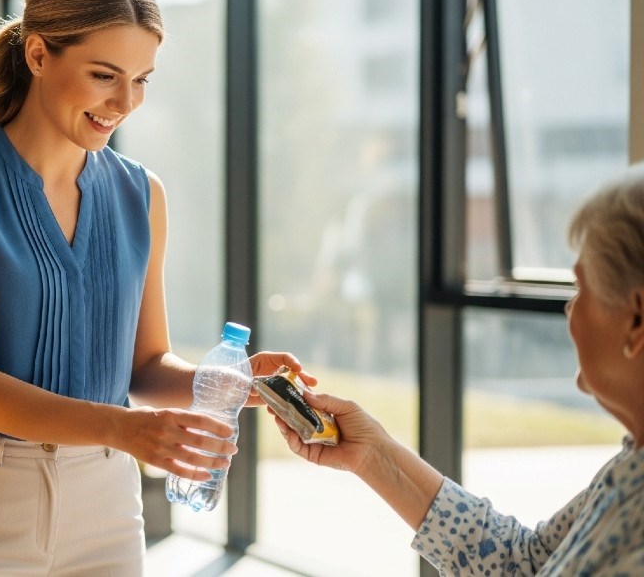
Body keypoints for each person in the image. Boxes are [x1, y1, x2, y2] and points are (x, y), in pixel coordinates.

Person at [0, 0, 307, 574]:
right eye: (103, 75)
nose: (125, 101)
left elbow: (144, 364)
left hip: (108, 507)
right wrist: (122, 428)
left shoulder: (143, 196)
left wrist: (233, 384)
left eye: (143, 79)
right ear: (38, 55)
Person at [274, 164, 644, 575]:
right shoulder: (630, 467)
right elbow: (523, 564)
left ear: (636, 320)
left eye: (581, 289)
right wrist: (374, 454)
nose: (569, 311)